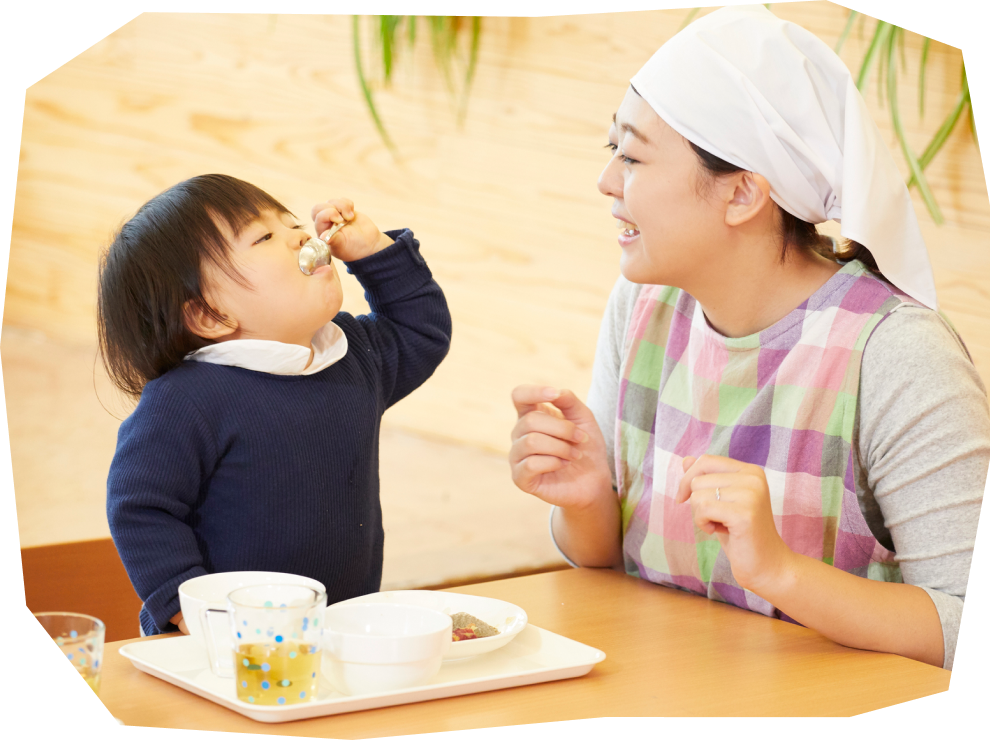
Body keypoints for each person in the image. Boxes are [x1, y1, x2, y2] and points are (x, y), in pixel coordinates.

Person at [508, 6, 986, 671]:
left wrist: (782, 572)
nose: (608, 181)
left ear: (742, 195)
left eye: (635, 155)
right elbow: (603, 559)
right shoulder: (644, 306)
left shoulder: (897, 355)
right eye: (611, 148)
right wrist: (589, 500)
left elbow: (959, 616)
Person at [101, 174, 451, 636]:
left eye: (290, 222)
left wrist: (375, 252)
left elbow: (422, 331)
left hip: (340, 629)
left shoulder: (351, 355)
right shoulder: (187, 400)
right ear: (210, 314)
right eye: (265, 236)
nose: (300, 235)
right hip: (224, 644)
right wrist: (192, 613)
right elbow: (140, 507)